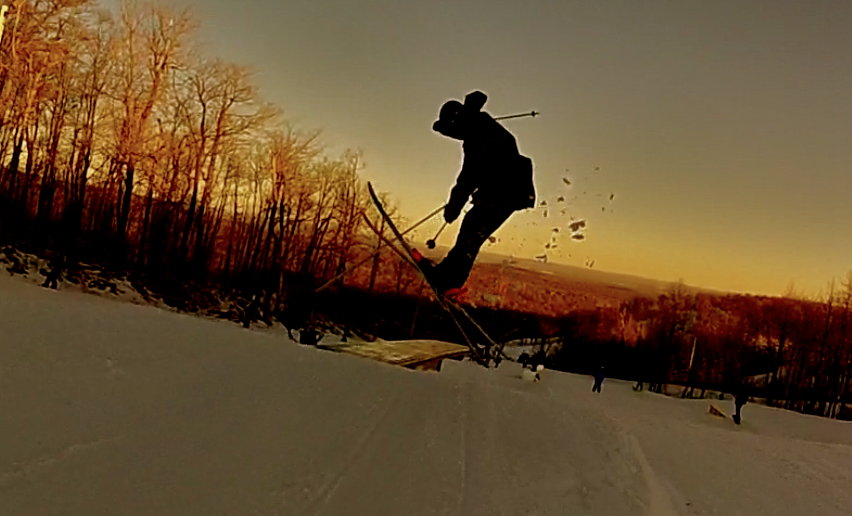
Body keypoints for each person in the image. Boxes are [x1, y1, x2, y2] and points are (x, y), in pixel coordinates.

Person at [413, 90, 536, 295]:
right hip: (510, 193)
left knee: (471, 232)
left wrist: (454, 206)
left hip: (504, 193)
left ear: (456, 121)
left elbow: (469, 176)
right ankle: (448, 275)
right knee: (471, 230)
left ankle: (450, 281)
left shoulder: (477, 136)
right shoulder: (481, 128)